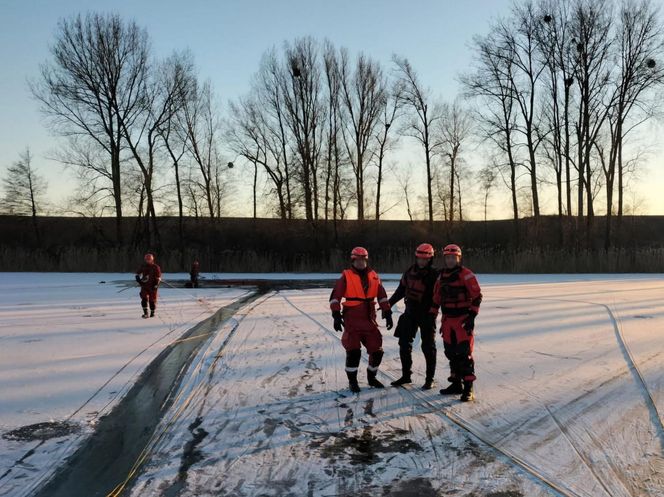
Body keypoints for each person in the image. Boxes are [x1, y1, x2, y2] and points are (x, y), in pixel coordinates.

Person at [329, 247, 393, 393]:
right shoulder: (346, 276)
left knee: (377, 351)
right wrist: (336, 315)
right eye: (357, 260)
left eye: (363, 260)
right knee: (353, 352)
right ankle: (353, 382)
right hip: (352, 319)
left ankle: (372, 378)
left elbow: (382, 295)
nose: (360, 263)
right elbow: (335, 297)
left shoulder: (374, 275)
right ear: (353, 260)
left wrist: (387, 311)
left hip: (369, 319)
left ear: (366, 260)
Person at [430, 244, 482, 402]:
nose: (451, 260)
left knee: (464, 354)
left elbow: (477, 296)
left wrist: (472, 317)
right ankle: (456, 384)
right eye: (448, 258)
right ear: (444, 259)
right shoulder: (441, 276)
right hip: (447, 321)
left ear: (458, 258)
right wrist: (432, 316)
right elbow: (436, 298)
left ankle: (468, 388)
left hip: (462, 320)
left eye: (454, 258)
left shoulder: (467, 275)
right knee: (451, 353)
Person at [388, 243, 440, 390]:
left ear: (430, 259)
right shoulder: (409, 272)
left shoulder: (436, 275)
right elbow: (401, 290)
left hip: (427, 314)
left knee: (428, 346)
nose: (422, 262)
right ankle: (406, 376)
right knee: (404, 344)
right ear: (416, 258)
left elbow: (442, 295)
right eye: (420, 259)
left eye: (425, 259)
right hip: (410, 312)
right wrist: (388, 304)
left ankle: (429, 379)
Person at [135, 253, 162, 319]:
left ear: (152, 259)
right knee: (144, 299)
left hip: (153, 286)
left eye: (149, 259)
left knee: (152, 300)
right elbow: (138, 273)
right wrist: (138, 278)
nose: (148, 261)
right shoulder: (143, 266)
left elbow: (159, 277)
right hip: (144, 285)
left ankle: (152, 313)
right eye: (147, 260)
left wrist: (156, 284)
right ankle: (145, 313)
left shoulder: (156, 267)